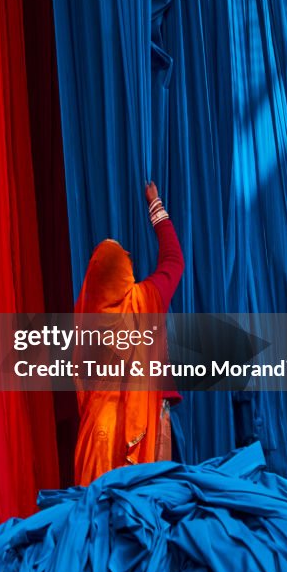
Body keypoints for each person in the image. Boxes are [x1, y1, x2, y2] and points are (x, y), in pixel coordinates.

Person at [73, 182, 184, 485]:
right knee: (143, 514)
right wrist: (155, 204)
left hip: (95, 436)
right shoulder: (145, 302)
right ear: (124, 274)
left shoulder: (85, 320)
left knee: (96, 519)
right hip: (142, 432)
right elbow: (174, 260)